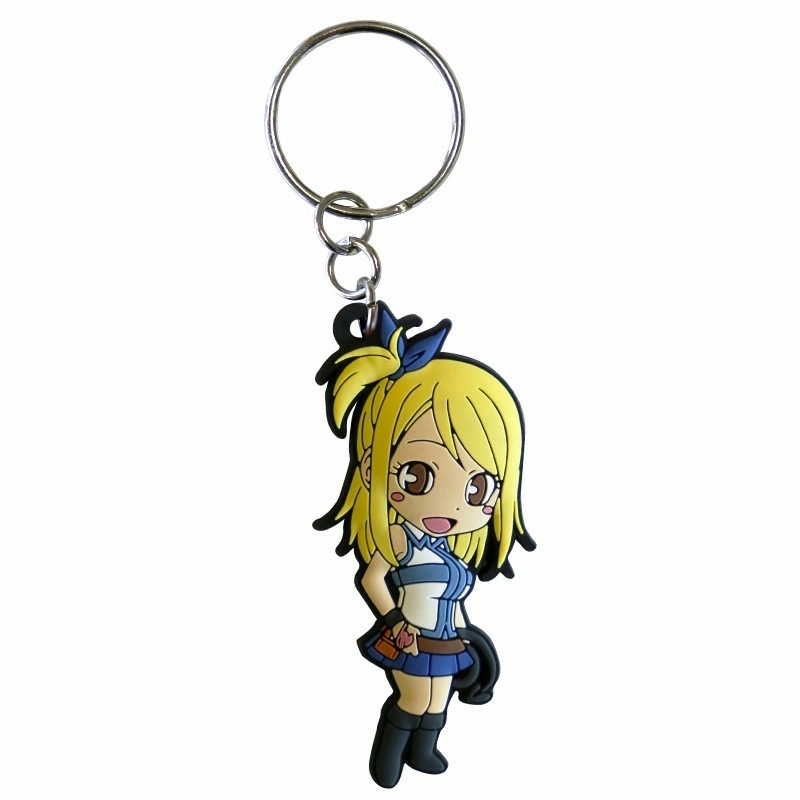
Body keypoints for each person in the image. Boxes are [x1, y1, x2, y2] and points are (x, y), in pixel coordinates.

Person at [314, 303, 535, 788]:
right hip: (409, 635)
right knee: (414, 698)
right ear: (372, 467)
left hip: (444, 637)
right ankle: (387, 760)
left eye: (477, 487)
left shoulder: (448, 549)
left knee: (437, 699)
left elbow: (450, 597)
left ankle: (423, 751)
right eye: (418, 475)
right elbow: (372, 577)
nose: (453, 504)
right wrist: (394, 621)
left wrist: (464, 633)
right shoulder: (401, 536)